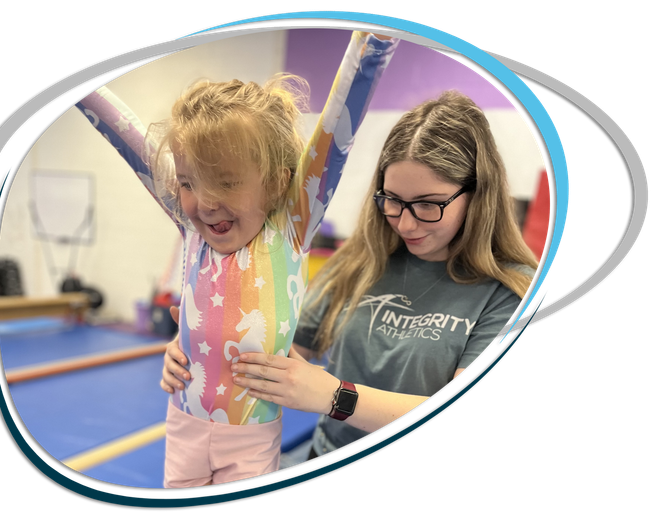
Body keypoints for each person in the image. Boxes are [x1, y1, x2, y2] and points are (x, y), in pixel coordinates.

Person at [76, 31, 399, 486]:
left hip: (250, 438)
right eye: (188, 183)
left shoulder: (291, 226)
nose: (204, 203)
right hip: (183, 425)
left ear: (275, 181)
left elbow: (338, 124)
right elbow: (122, 133)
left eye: (225, 183)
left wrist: (375, 38)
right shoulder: (191, 228)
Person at [160, 89, 540, 460]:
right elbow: (285, 348)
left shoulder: (510, 291)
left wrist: (334, 396)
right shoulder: (360, 262)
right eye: (392, 200)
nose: (405, 223)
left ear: (478, 194)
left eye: (428, 205)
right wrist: (197, 345)